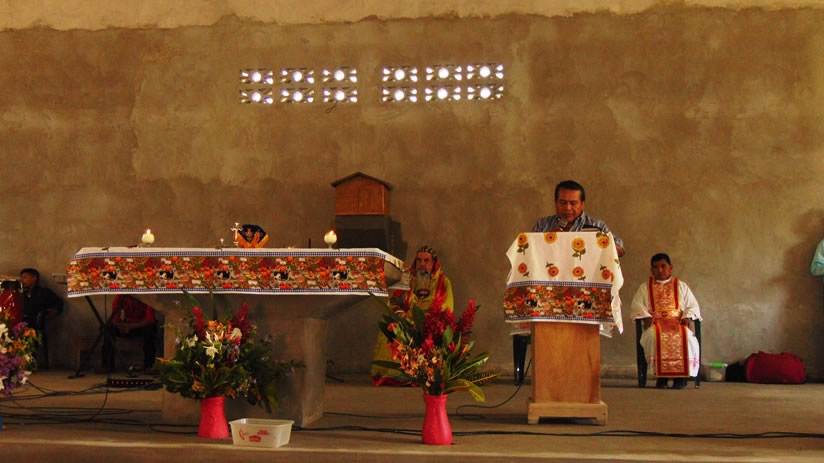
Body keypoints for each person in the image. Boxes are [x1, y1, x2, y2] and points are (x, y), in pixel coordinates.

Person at [370, 245, 454, 385]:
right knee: (391, 328)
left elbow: (446, 307)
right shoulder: (407, 279)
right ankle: (397, 375)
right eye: (419, 260)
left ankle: (424, 373)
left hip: (431, 323)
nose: (422, 264)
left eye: (426, 260)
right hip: (407, 322)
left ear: (433, 263)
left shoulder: (443, 282)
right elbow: (394, 301)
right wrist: (400, 313)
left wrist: (426, 319)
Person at [631, 253, 702, 389]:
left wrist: (686, 316)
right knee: (653, 336)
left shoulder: (681, 286)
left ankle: (681, 378)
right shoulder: (645, 288)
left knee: (686, 337)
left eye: (663, 266)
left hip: (678, 322)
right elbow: (637, 305)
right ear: (651, 270)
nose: (660, 270)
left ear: (671, 268)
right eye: (655, 267)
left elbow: (693, 306)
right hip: (656, 323)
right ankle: (661, 378)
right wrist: (646, 316)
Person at [531, 180, 625, 257]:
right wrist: (547, 241)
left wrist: (595, 244)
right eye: (563, 203)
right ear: (555, 203)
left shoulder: (597, 226)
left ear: (582, 204)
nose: (568, 208)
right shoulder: (542, 225)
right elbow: (530, 252)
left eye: (573, 203)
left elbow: (620, 250)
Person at [102, 294, 158, 372]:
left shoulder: (148, 296)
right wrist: (121, 326)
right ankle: (108, 366)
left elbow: (150, 320)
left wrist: (131, 326)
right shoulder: (121, 296)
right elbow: (114, 318)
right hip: (127, 326)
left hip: (142, 327)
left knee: (151, 328)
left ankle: (149, 365)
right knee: (108, 328)